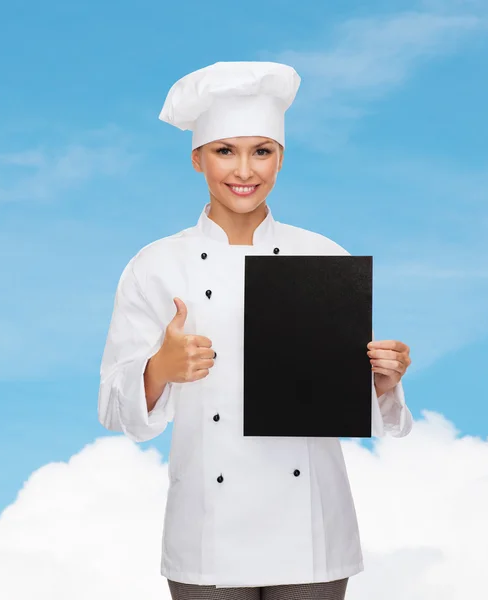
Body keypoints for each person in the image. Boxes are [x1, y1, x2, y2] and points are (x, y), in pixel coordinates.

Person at [98, 61, 413, 600]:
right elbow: (114, 408)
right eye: (225, 150)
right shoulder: (155, 265)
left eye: (261, 151)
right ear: (197, 158)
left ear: (280, 159)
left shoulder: (322, 255)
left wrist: (381, 381)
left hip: (310, 527)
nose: (244, 169)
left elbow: (338, 394)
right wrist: (159, 371)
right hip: (208, 533)